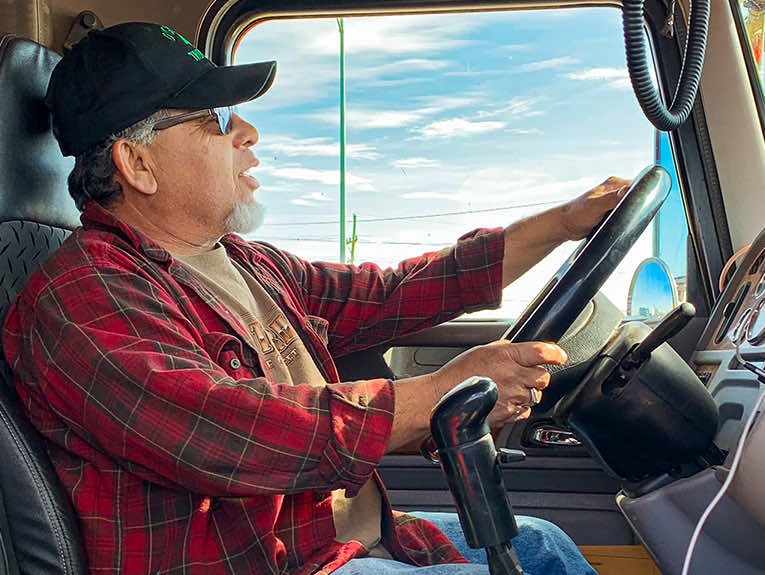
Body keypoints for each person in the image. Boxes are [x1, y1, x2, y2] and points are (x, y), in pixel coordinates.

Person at [2, 22, 630, 575]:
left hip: (351, 543)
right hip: (270, 565)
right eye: (216, 118)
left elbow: (391, 294)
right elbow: (227, 427)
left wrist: (564, 223)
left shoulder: (246, 262)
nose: (246, 132)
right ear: (138, 164)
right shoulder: (81, 299)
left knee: (543, 542)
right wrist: (437, 395)